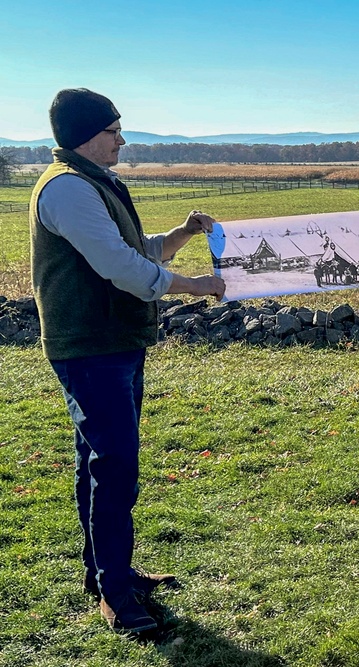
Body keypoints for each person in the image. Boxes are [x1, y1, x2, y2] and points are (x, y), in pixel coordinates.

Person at [29, 88, 226, 635]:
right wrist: (197, 285)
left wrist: (184, 234)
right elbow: (122, 267)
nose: (122, 138)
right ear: (89, 135)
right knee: (114, 467)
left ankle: (107, 573)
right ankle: (115, 594)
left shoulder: (94, 184)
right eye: (115, 130)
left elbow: (138, 248)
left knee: (98, 461)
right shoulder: (67, 190)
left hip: (113, 344)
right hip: (90, 347)